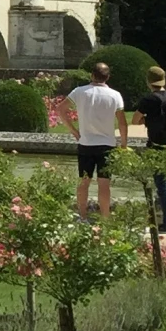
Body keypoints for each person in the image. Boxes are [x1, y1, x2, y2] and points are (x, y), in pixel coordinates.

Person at [64, 61, 128, 218]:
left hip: (86, 143)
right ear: (108, 77)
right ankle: (105, 219)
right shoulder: (115, 95)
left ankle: (83, 216)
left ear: (92, 75)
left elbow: (60, 110)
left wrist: (73, 130)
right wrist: (124, 144)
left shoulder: (80, 92)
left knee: (84, 182)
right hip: (107, 145)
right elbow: (122, 122)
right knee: (104, 183)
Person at [136, 65, 166, 239]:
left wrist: (147, 119)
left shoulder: (149, 99)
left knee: (162, 185)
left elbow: (135, 120)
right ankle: (164, 220)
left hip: (157, 146)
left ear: (149, 81)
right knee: (162, 183)